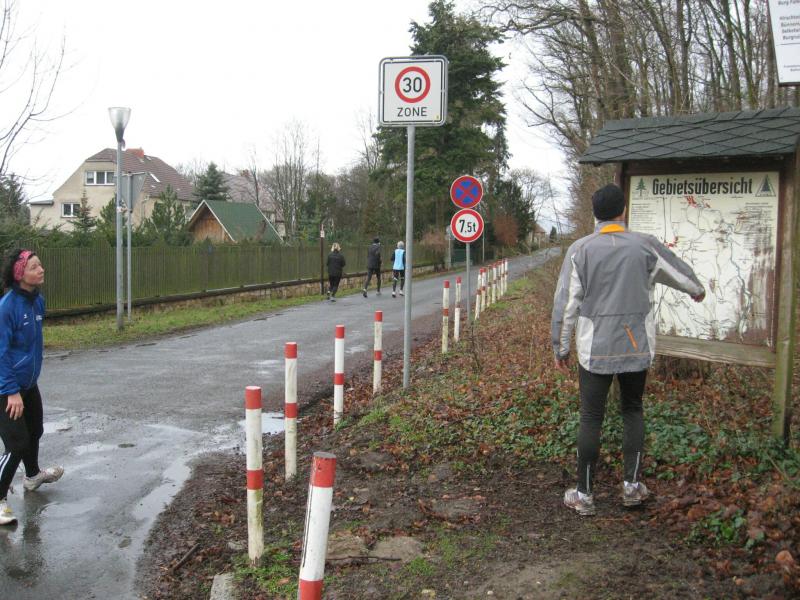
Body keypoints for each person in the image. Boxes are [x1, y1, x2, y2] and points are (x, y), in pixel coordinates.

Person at [550, 184, 705, 516]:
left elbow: (566, 305)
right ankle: (632, 488)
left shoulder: (580, 250)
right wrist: (696, 290)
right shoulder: (644, 245)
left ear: (595, 214)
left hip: (595, 350)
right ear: (623, 211)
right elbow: (680, 274)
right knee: (632, 410)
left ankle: (584, 494)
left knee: (591, 416)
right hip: (637, 345)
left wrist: (561, 348)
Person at [0, 249, 64, 526]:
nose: (41, 270)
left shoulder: (38, 301)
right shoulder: (6, 307)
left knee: (35, 431)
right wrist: (11, 391)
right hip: (6, 389)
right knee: (16, 444)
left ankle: (32, 476)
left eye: (41, 265)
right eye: (34, 267)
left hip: (28, 383)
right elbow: (1, 352)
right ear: (20, 274)